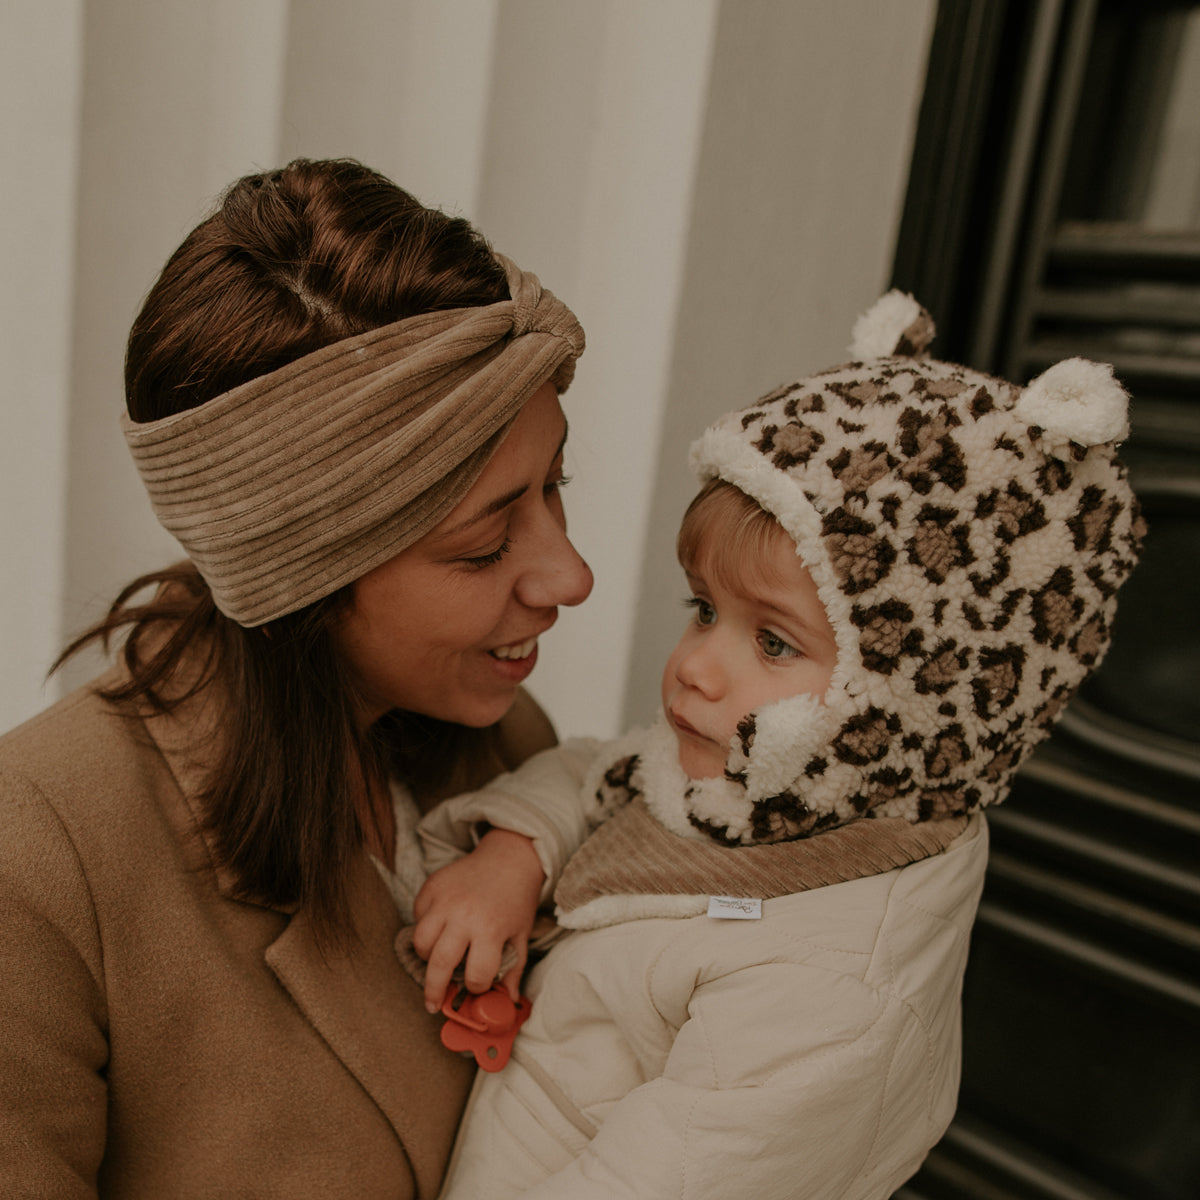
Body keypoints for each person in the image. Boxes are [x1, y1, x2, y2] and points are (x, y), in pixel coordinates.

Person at [409, 291, 1146, 1199]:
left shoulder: (832, 995)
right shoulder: (763, 788)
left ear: (910, 703)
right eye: (704, 611)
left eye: (772, 642)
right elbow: (612, 774)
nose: (695, 668)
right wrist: (518, 852)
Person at [0, 158, 594, 1198]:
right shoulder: (44, 861)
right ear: (306, 573)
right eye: (484, 542)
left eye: (557, 486)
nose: (569, 576)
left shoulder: (511, 755)